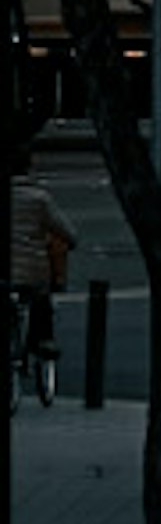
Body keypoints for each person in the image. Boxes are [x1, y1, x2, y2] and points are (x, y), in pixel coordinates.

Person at [10, 171, 74, 408]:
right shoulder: (39, 198)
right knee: (41, 299)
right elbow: (67, 232)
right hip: (32, 272)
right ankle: (43, 341)